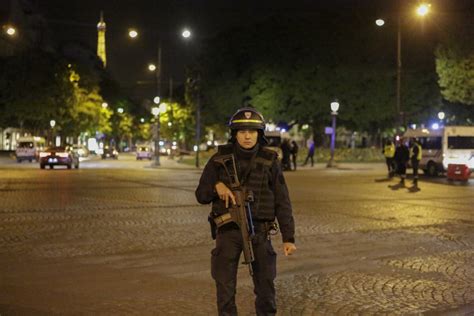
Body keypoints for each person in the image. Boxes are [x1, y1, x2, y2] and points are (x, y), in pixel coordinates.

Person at [195, 107, 296, 316]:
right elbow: (201, 195)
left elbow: (282, 200)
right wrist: (217, 186)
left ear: (260, 133)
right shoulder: (218, 159)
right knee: (225, 286)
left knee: (265, 286)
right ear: (234, 134)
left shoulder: (270, 160)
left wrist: (289, 237)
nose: (247, 136)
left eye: (252, 131)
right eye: (242, 132)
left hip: (259, 231)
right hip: (228, 231)